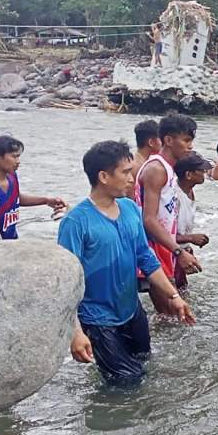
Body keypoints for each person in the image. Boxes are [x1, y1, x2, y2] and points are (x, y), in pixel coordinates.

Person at [58, 140, 195, 387]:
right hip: (98, 320)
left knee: (144, 366)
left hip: (131, 310)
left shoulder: (130, 208)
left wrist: (173, 296)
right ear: (103, 176)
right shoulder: (75, 222)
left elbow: (146, 257)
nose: (132, 178)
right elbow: (65, 282)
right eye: (125, 172)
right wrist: (75, 332)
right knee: (125, 385)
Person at [135, 114, 201, 313]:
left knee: (170, 318)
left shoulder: (168, 169)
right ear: (169, 140)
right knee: (172, 315)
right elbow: (149, 219)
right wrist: (178, 251)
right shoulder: (156, 169)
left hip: (164, 249)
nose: (190, 146)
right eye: (186, 140)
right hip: (154, 251)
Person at [0, 136, 66, 240]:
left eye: (18, 157)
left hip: (12, 241)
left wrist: (46, 200)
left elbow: (16, 197)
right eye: (14, 157)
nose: (18, 161)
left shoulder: (12, 176)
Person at [173, 152, 212, 292]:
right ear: (189, 175)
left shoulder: (189, 190)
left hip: (181, 250)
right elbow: (160, 233)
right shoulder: (174, 197)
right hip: (172, 252)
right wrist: (190, 238)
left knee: (182, 291)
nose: (205, 173)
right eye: (201, 171)